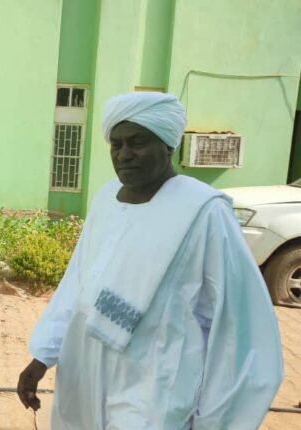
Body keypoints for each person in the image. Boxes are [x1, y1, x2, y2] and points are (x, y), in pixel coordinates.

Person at [17, 92, 284, 429]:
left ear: (168, 145)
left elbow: (239, 321)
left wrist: (219, 418)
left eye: (138, 142)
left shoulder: (204, 211)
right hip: (86, 370)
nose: (124, 154)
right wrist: (43, 356)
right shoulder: (106, 199)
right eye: (116, 144)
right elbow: (78, 282)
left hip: (156, 380)